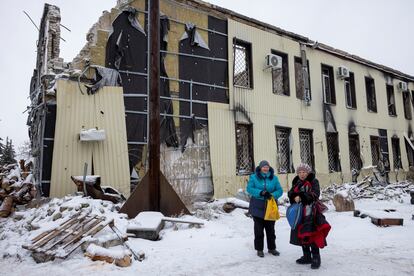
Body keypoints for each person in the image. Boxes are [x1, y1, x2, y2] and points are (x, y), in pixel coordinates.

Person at [287, 163, 331, 269]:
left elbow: (315, 194)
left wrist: (301, 197)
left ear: (308, 172)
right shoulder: (296, 181)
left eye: (304, 172)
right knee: (302, 235)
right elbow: (290, 193)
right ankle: (307, 256)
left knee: (312, 235)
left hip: (311, 213)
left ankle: (316, 257)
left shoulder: (313, 181)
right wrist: (294, 197)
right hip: (299, 214)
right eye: (300, 172)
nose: (302, 174)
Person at [247, 160, 283, 257]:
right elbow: (249, 189)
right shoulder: (254, 177)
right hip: (257, 206)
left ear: (269, 168)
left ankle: (272, 248)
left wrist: (272, 195)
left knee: (270, 229)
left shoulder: (274, 178)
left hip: (270, 206)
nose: (265, 168)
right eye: (263, 167)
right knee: (258, 229)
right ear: (260, 168)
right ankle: (259, 249)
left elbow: (280, 190)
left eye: (267, 167)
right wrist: (261, 193)